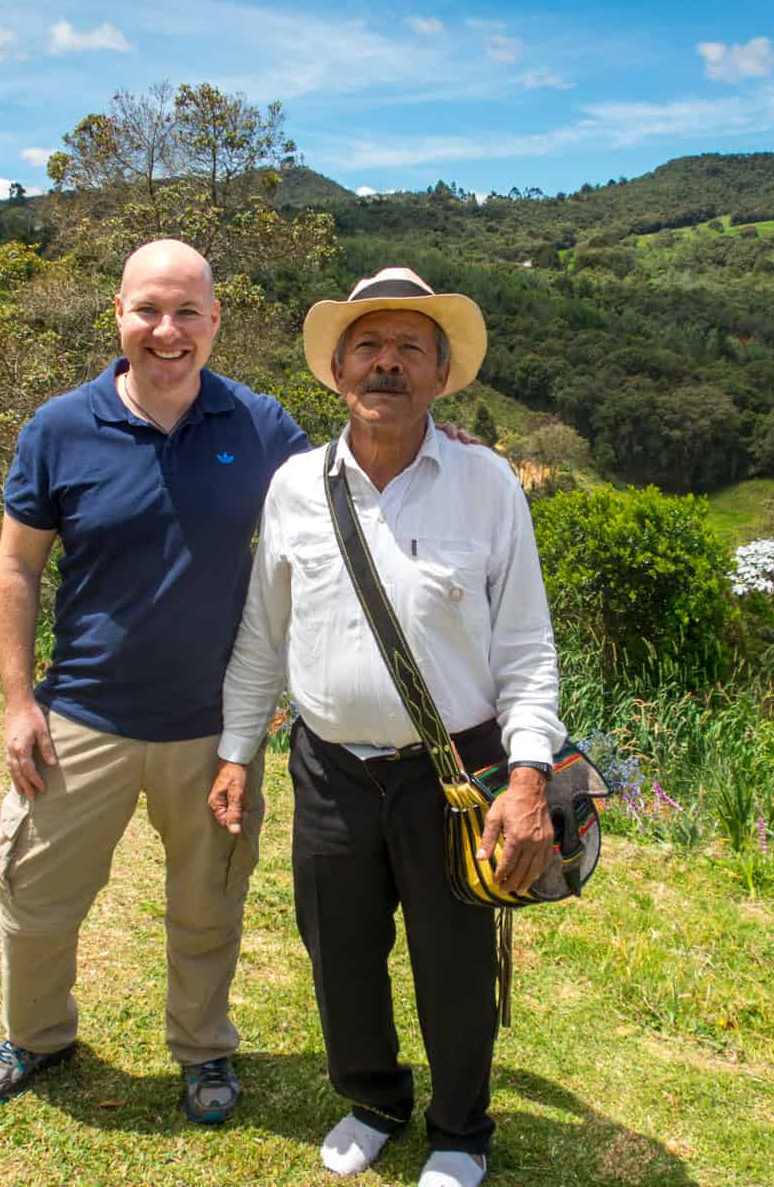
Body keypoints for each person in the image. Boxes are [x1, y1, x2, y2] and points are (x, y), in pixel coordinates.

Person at [209, 267, 564, 1187]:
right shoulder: (293, 487)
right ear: (336, 371)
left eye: (411, 348)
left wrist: (527, 780)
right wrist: (237, 752)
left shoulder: (487, 487)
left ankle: (459, 1129)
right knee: (339, 948)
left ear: (442, 375)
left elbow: (526, 649)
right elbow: (262, 632)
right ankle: (373, 1098)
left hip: (452, 773)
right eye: (367, 346)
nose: (387, 365)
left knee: (454, 960)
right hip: (327, 767)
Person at [0, 239, 309, 1123]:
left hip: (214, 731)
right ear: (118, 315)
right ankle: (37, 1035)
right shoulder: (59, 428)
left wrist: (437, 435)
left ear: (216, 322)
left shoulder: (261, 428)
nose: (168, 330)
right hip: (82, 716)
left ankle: (203, 1052)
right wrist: (16, 701)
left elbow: (346, 497)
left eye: (187, 311)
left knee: (208, 905)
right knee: (35, 895)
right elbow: (15, 570)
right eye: (149, 309)